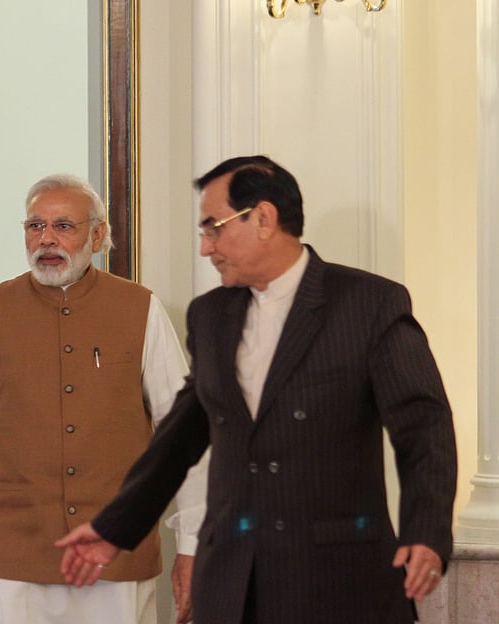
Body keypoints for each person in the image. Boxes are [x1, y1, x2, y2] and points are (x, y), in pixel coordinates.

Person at [57, 155, 457, 624]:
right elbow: (179, 438)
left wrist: (426, 530)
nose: (206, 248)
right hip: (232, 581)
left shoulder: (369, 304)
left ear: (263, 219)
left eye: (214, 228)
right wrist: (114, 529)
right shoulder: (211, 316)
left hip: (340, 580)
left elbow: (423, 427)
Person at [0, 174, 206, 624]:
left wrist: (192, 545)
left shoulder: (141, 309)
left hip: (115, 552)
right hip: (12, 560)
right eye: (35, 226)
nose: (46, 239)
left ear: (97, 235)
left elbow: (186, 434)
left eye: (63, 226)